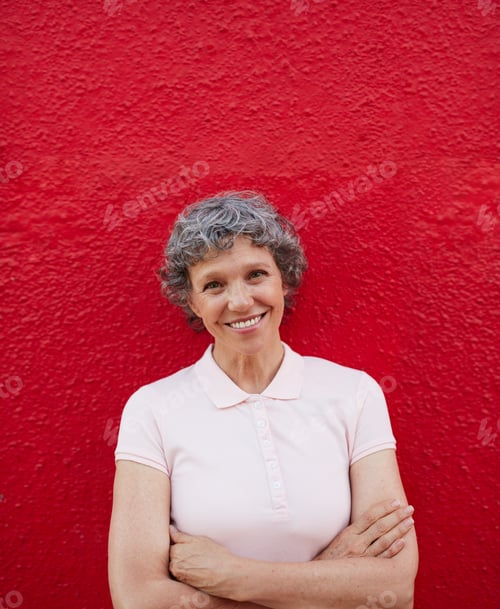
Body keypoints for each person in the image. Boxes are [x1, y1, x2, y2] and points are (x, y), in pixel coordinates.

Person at [108, 191, 418, 609]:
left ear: (284, 280)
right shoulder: (152, 410)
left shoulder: (355, 394)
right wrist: (331, 577)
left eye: (256, 275)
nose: (239, 301)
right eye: (214, 284)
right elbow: (140, 597)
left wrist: (233, 576)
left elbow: (394, 588)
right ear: (192, 301)